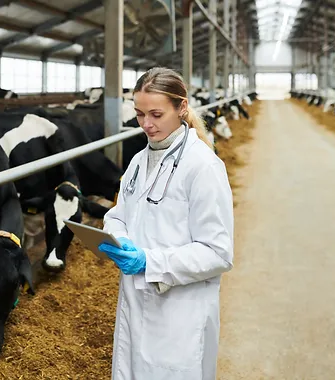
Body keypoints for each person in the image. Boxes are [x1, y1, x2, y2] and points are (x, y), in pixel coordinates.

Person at [98, 67, 234, 380]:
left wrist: (150, 261)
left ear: (182, 107)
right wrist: (118, 238)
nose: (146, 124)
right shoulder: (137, 161)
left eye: (156, 114)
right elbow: (119, 214)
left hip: (179, 311)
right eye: (139, 114)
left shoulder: (203, 167)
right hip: (135, 299)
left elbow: (218, 252)